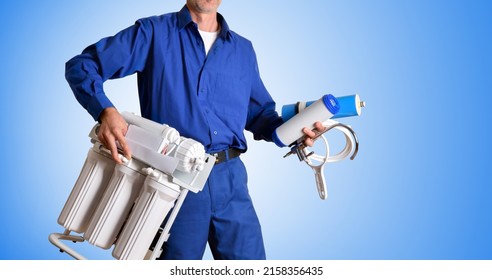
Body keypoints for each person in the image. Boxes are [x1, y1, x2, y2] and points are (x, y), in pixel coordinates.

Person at [65, 0, 323, 260]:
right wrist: (104, 111)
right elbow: (82, 66)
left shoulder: (242, 50)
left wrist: (297, 131)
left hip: (231, 179)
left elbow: (259, 116)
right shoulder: (153, 32)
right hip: (174, 180)